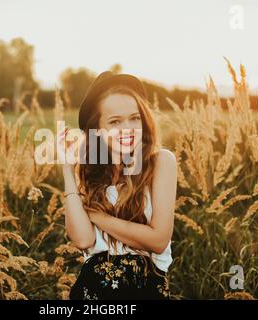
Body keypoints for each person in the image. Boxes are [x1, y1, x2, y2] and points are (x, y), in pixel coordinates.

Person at [57, 71, 178, 300]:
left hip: (144, 288)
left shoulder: (161, 162)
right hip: (92, 291)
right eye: (115, 122)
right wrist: (67, 168)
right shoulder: (89, 174)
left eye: (134, 118)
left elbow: (159, 240)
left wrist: (96, 216)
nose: (128, 128)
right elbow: (83, 240)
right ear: (98, 129)